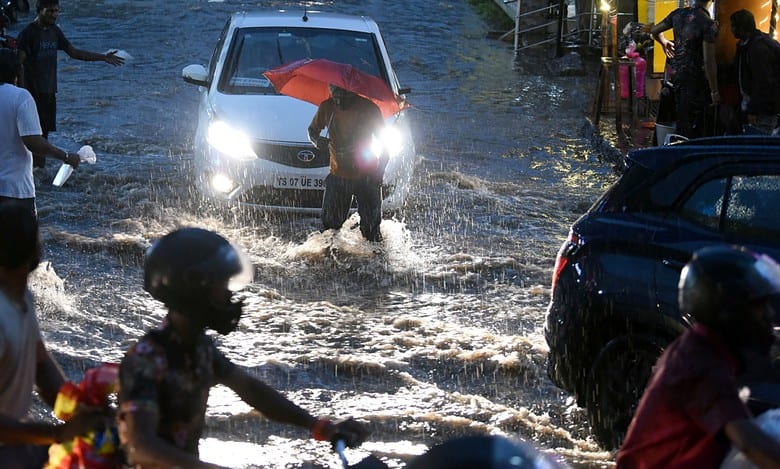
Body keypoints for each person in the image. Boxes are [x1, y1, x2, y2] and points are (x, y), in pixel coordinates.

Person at [117, 227, 369, 468]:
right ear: (193, 288)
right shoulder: (147, 359)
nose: (229, 296)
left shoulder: (200, 348)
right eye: (222, 286)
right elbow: (141, 446)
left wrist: (319, 426)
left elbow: (253, 392)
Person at [616, 245, 780, 468]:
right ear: (731, 312)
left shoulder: (702, 348)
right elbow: (748, 442)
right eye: (759, 307)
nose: (769, 316)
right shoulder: (699, 362)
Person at [0, 202, 110, 469]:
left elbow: (41, 364)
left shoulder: (21, 297)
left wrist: (77, 415)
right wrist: (57, 434)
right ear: (34, 253)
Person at [16, 0, 123, 168]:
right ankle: (29, 172)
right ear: (38, 10)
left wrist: (102, 57)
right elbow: (18, 64)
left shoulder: (54, 31)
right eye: (49, 11)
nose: (54, 14)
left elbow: (74, 52)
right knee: (31, 136)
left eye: (56, 11)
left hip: (49, 92)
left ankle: (39, 172)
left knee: (44, 134)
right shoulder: (28, 34)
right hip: (31, 93)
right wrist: (21, 92)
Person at [0, 48, 81, 217]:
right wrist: (66, 157)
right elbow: (33, 142)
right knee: (22, 243)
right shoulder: (20, 97)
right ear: (17, 71)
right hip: (14, 191)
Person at [308, 84, 388, 243]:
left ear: (354, 91)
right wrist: (317, 141)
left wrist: (378, 173)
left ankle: (378, 264)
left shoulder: (369, 109)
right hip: (338, 176)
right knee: (329, 230)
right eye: (335, 95)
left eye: (344, 95)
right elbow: (311, 130)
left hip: (367, 177)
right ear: (330, 92)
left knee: (371, 230)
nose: (339, 100)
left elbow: (385, 147)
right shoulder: (327, 107)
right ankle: (330, 264)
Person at [649, 0, 719, 139]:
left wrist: (664, 42)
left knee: (682, 117)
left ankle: (680, 148)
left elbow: (654, 30)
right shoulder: (708, 24)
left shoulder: (678, 14)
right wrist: (714, 91)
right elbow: (708, 61)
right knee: (696, 124)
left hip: (677, 76)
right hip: (696, 80)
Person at [730, 9, 780, 135]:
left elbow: (764, 82)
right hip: (753, 104)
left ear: (741, 27)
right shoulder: (749, 45)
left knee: (760, 140)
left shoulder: (757, 49)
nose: (731, 30)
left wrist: (754, 109)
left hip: (763, 108)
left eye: (733, 26)